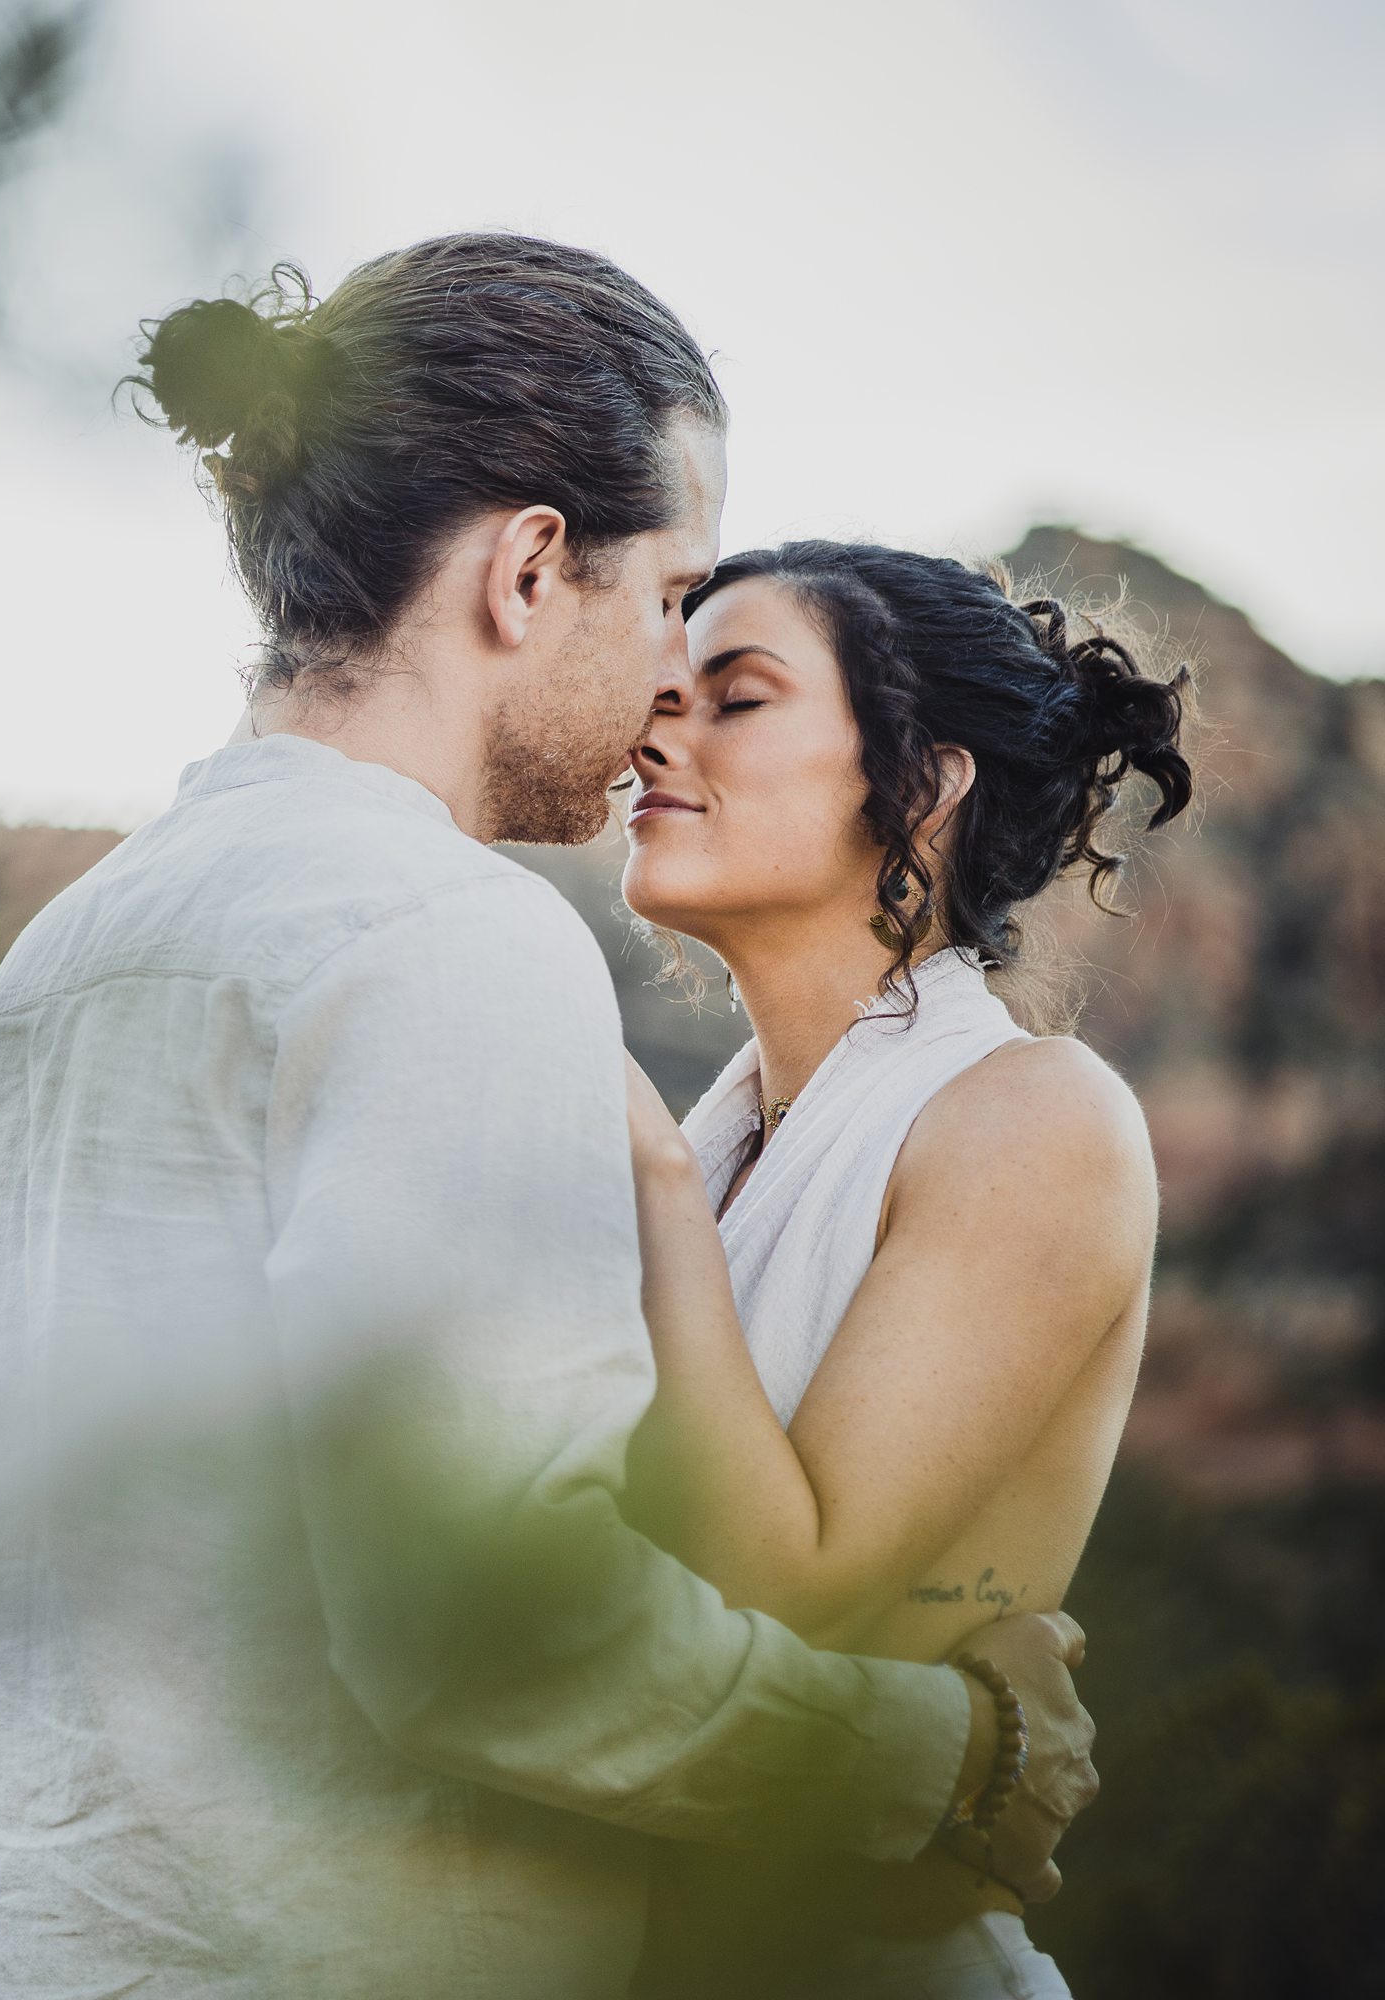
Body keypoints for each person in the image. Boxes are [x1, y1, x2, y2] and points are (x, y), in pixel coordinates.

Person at [0, 232, 1098, 2000]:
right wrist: (947, 1760)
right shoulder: (446, 945)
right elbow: (503, 1641)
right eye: (673, 591)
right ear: (533, 568)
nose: (669, 672)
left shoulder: (25, 999)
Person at [617, 542, 1192, 1996]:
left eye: (735, 697)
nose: (652, 727)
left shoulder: (1035, 1118)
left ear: (927, 787)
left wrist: (647, 1183)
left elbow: (779, 1595)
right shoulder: (730, 1131)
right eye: (663, 690)